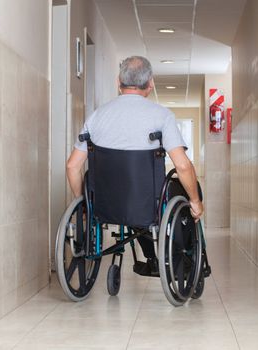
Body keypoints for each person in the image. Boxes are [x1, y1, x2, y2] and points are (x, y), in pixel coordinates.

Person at [66, 55, 203, 270]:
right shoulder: (162, 116)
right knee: (185, 188)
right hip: (147, 205)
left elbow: (72, 166)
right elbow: (183, 166)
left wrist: (84, 206)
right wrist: (195, 202)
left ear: (118, 83)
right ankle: (179, 261)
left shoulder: (97, 116)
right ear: (150, 84)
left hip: (104, 205)